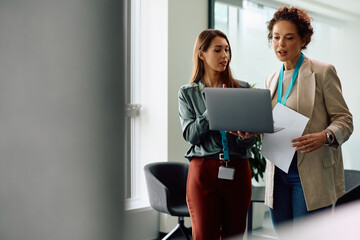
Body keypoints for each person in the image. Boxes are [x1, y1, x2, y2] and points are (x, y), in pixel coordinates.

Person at [264, 6, 354, 232]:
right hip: (278, 171)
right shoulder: (271, 79)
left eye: (289, 38)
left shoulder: (323, 72)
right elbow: (270, 123)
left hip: (309, 172)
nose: (280, 44)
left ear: (303, 39)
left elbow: (345, 120)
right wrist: (251, 130)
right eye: (276, 38)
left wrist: (325, 136)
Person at [178, 29, 258, 240]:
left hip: (238, 168)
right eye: (218, 50)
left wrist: (246, 137)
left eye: (227, 50)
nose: (225, 55)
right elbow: (191, 136)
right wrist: (213, 107)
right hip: (203, 170)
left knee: (235, 235)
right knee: (204, 236)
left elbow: (247, 143)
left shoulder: (242, 88)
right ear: (201, 54)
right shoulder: (187, 93)